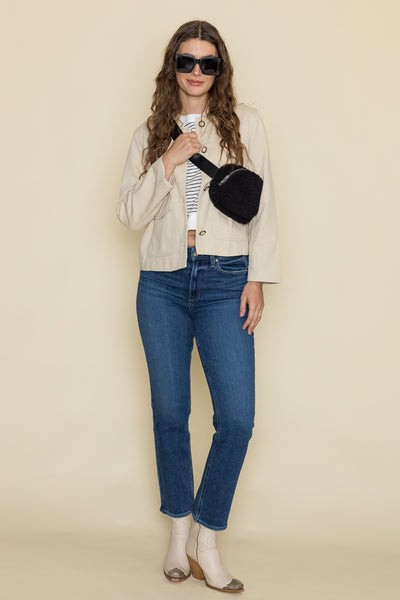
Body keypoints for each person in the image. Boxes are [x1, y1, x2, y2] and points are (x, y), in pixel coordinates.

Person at [117, 20, 280, 593]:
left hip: (225, 278)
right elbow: (129, 215)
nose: (196, 72)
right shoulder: (148, 134)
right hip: (161, 281)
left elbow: (264, 206)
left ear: (219, 70)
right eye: (186, 61)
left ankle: (206, 539)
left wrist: (257, 278)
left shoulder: (245, 125)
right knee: (169, 413)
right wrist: (168, 161)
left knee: (237, 418)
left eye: (208, 63)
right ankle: (178, 532)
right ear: (173, 67)